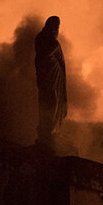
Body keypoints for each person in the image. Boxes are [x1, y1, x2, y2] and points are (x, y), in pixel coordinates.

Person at [34, 16, 67, 147]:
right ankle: (47, 133)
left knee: (54, 103)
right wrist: (55, 45)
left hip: (55, 78)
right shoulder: (46, 41)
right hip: (46, 78)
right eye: (56, 27)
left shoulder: (45, 40)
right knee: (50, 102)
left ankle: (51, 133)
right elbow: (45, 54)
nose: (57, 30)